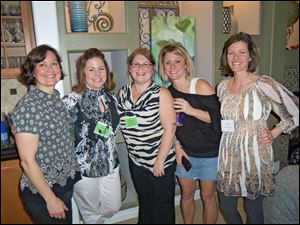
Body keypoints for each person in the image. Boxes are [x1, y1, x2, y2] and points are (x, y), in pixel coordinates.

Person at [217, 32, 299, 224]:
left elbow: (294, 110)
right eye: (231, 53)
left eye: (241, 53)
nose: (236, 58)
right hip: (228, 152)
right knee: (227, 207)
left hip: (254, 153)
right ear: (226, 56)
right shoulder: (222, 86)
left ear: (250, 56)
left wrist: (275, 132)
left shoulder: (263, 84)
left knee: (253, 210)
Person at [11, 44, 81, 224]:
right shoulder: (29, 107)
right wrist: (50, 199)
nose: (50, 69)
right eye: (41, 64)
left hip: (63, 184)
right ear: (32, 71)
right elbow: (27, 161)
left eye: (54, 63)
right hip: (43, 192)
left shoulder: (55, 97)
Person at [159, 43, 222, 224]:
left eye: (177, 61)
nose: (172, 67)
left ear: (186, 63)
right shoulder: (167, 93)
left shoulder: (200, 85)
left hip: (210, 153)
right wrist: (177, 147)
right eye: (168, 62)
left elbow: (218, 119)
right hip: (185, 153)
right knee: (186, 195)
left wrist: (191, 109)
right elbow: (171, 126)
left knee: (207, 196)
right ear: (163, 67)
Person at [117, 48, 177, 224]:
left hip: (160, 162)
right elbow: (119, 123)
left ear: (153, 69)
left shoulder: (162, 94)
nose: (140, 68)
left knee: (163, 207)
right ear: (130, 68)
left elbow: (170, 128)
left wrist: (159, 161)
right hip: (137, 161)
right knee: (145, 201)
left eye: (146, 64)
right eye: (136, 64)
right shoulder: (122, 93)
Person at [62, 48, 121, 224]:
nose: (97, 74)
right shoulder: (71, 101)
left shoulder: (112, 99)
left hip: (110, 164)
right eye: (91, 69)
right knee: (91, 214)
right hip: (84, 169)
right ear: (83, 73)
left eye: (101, 68)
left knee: (113, 207)